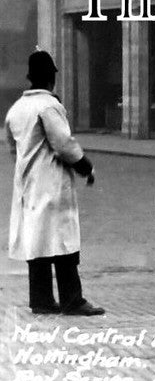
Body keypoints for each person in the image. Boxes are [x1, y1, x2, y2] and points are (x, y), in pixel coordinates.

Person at [7, 50, 104, 315]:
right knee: (64, 240)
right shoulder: (48, 106)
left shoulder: (16, 109)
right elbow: (64, 144)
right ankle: (73, 299)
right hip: (52, 185)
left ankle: (41, 300)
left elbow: (13, 149)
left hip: (28, 185)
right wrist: (86, 167)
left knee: (37, 242)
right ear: (51, 79)